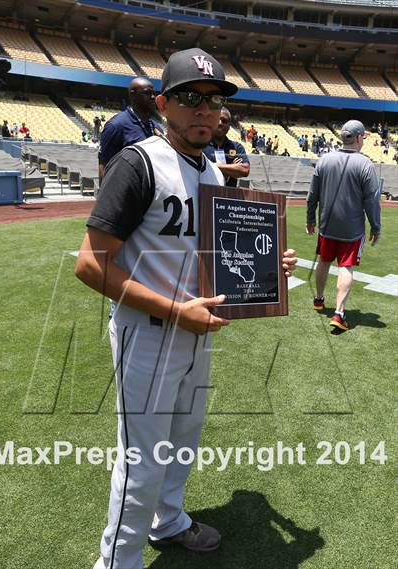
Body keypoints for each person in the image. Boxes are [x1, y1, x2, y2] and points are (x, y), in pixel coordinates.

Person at [75, 47, 297, 569]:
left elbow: (217, 256)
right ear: (163, 104)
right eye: (190, 97)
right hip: (146, 333)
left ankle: (167, 520)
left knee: (182, 441)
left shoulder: (215, 175)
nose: (205, 109)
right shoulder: (139, 162)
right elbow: (90, 265)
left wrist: (269, 265)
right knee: (142, 461)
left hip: (196, 331)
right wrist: (177, 311)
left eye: (215, 99)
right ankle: (117, 562)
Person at [306, 119, 381, 331]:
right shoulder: (365, 164)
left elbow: (312, 195)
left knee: (324, 260)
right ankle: (339, 313)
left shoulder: (324, 160)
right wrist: (376, 227)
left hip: (327, 226)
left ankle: (319, 299)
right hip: (352, 229)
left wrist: (310, 219)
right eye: (363, 138)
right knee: (345, 267)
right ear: (358, 138)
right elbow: (372, 200)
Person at [98, 77, 163, 181]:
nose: (152, 97)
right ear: (133, 95)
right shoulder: (116, 126)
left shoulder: (157, 128)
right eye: (147, 93)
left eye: (154, 93)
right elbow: (104, 167)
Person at [203, 106, 250, 187]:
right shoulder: (201, 145)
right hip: (205, 193)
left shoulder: (237, 147)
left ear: (229, 125)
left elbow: (245, 170)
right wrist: (232, 168)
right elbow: (198, 167)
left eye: (224, 121)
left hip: (228, 196)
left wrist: (209, 166)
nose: (220, 123)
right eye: (217, 119)